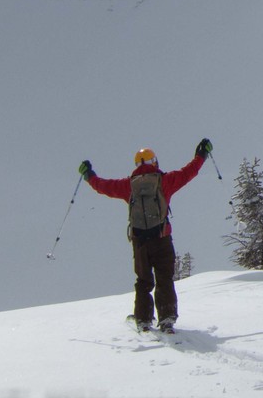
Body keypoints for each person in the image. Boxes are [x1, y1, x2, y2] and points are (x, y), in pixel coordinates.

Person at [79, 139, 212, 333]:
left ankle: (143, 320)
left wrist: (89, 175)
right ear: (154, 162)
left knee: (143, 280)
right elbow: (188, 172)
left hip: (140, 241)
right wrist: (201, 155)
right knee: (164, 278)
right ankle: (167, 319)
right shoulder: (164, 181)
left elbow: (104, 186)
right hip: (162, 237)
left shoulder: (128, 186)